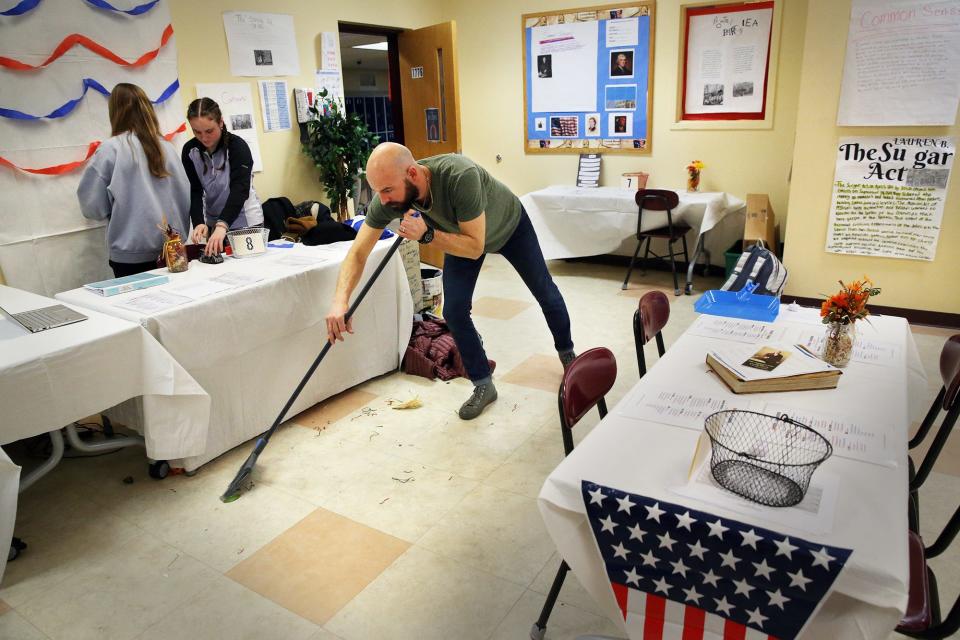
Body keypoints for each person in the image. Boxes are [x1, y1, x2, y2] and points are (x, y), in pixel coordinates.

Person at [325, 143, 576, 420]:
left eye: (387, 191)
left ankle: (569, 356)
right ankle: (483, 384)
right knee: (454, 310)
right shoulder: (389, 194)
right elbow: (358, 253)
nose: (383, 201)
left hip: (508, 226)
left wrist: (427, 236)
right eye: (378, 192)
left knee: (544, 291)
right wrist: (340, 301)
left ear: (412, 173)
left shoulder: (459, 175)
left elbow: (475, 246)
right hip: (461, 235)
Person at [77, 83, 190, 278]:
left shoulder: (110, 150)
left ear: (115, 112)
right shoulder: (168, 148)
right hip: (173, 251)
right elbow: (184, 197)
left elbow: (92, 208)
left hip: (131, 256)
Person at [182, 97, 264, 256]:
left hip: (245, 222)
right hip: (216, 224)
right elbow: (195, 190)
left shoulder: (238, 147)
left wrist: (222, 225)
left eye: (209, 131)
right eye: (197, 132)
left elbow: (240, 189)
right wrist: (199, 222)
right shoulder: (189, 151)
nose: (204, 138)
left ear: (220, 122)